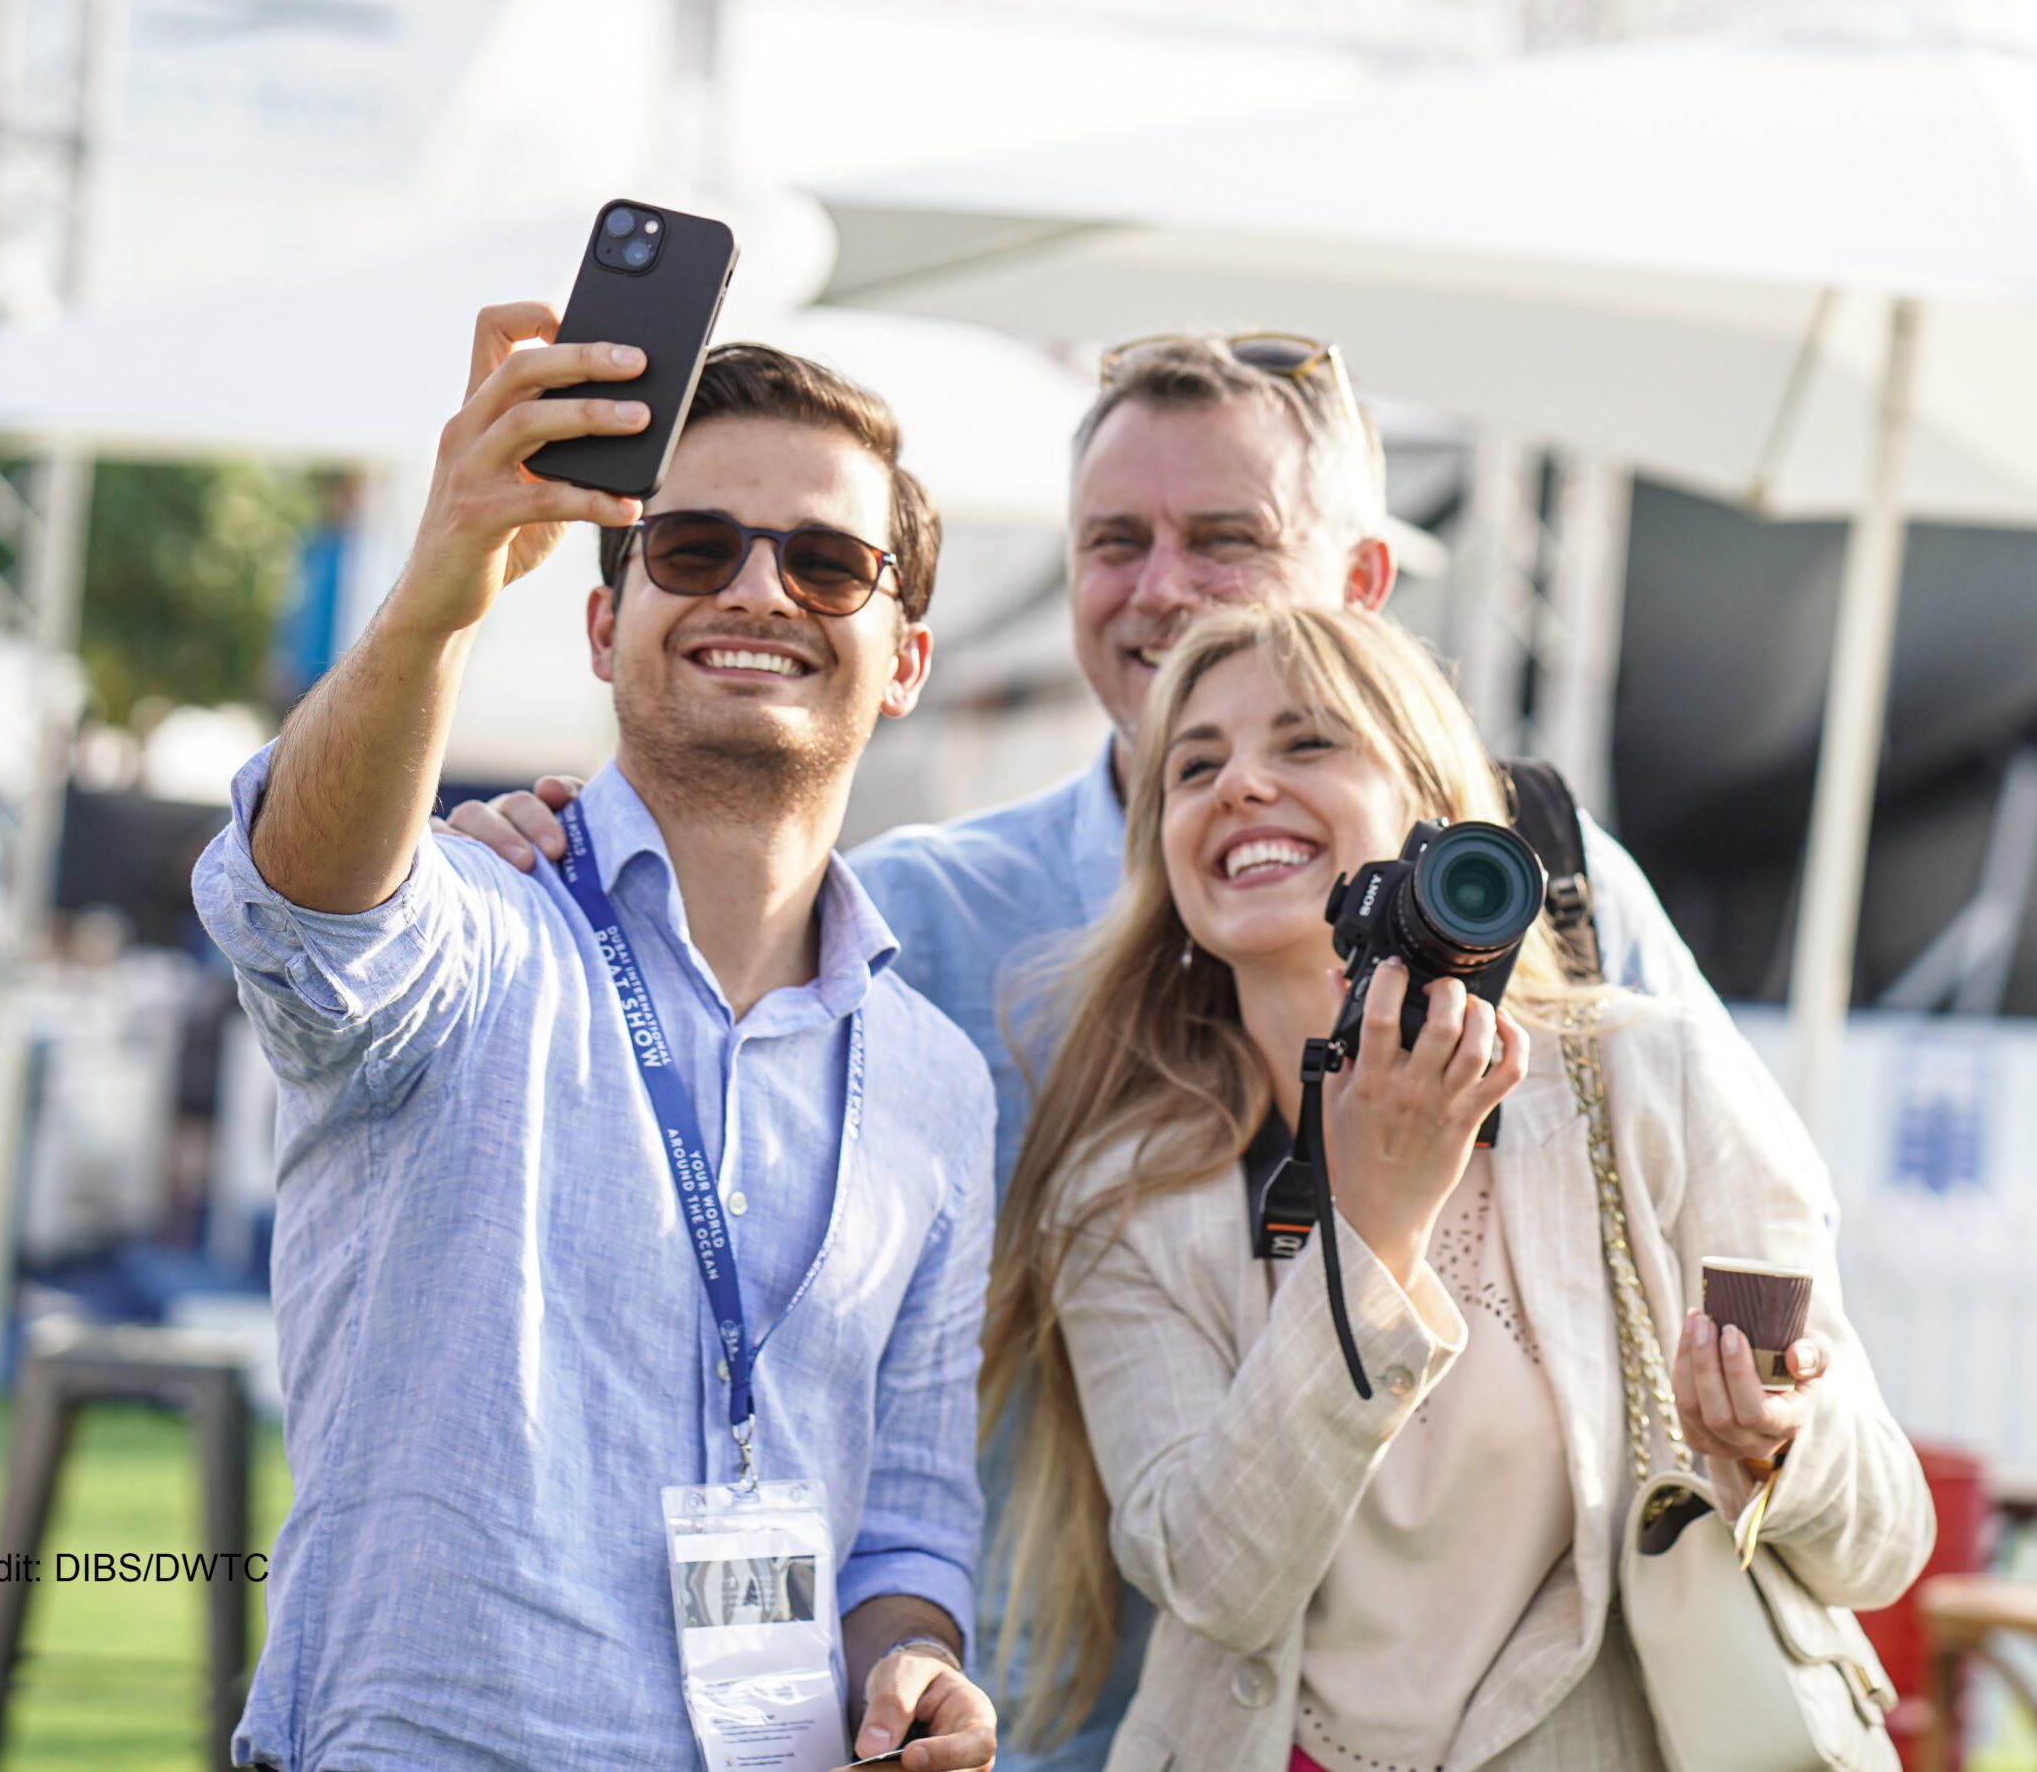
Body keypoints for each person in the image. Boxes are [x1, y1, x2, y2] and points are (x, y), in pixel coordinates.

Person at [444, 333, 1721, 1768]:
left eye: (1225, 538)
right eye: (1116, 541)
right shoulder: (921, 913)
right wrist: (536, 846)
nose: (1161, 587)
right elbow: (671, 998)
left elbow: (1726, 1244)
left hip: (1489, 1719)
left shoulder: (1535, 878)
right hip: (1019, 1716)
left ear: (1363, 584)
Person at [194, 312, 999, 1770]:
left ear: (907, 659)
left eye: (826, 563)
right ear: (597, 621)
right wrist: (438, 598)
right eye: (693, 549)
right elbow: (304, 903)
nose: (760, 589)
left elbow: (911, 1512)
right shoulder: (478, 925)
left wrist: (919, 1669)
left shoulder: (936, 1081)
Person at [987, 600, 1930, 1771]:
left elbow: (1883, 1536)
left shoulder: (1655, 1081)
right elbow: (1212, 1577)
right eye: (1194, 765)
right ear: (1161, 848)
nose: (1239, 783)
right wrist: (1374, 1226)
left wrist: (1779, 1439)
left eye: (1308, 740)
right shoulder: (1125, 1193)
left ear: (1434, 821)